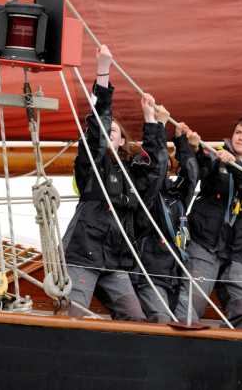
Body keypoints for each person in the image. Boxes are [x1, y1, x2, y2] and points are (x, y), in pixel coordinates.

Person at [63, 45, 166, 321]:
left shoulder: (132, 172)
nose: (109, 134)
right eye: (107, 130)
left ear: (122, 140)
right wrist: (103, 72)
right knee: (71, 317)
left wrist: (151, 121)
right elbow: (97, 127)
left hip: (116, 259)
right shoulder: (91, 164)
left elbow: (156, 173)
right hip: (83, 255)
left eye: (115, 132)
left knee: (136, 321)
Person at [178, 116, 242, 329]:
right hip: (205, 245)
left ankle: (225, 347)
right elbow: (197, 170)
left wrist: (234, 164)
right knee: (187, 308)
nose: (241, 137)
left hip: (236, 252)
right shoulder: (215, 154)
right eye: (238, 132)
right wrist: (194, 147)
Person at [133, 120, 199, 323]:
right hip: (150, 275)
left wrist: (181, 141)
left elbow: (191, 175)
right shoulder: (145, 195)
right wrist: (157, 125)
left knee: (190, 323)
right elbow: (157, 166)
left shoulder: (175, 197)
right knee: (161, 320)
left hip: (175, 274)